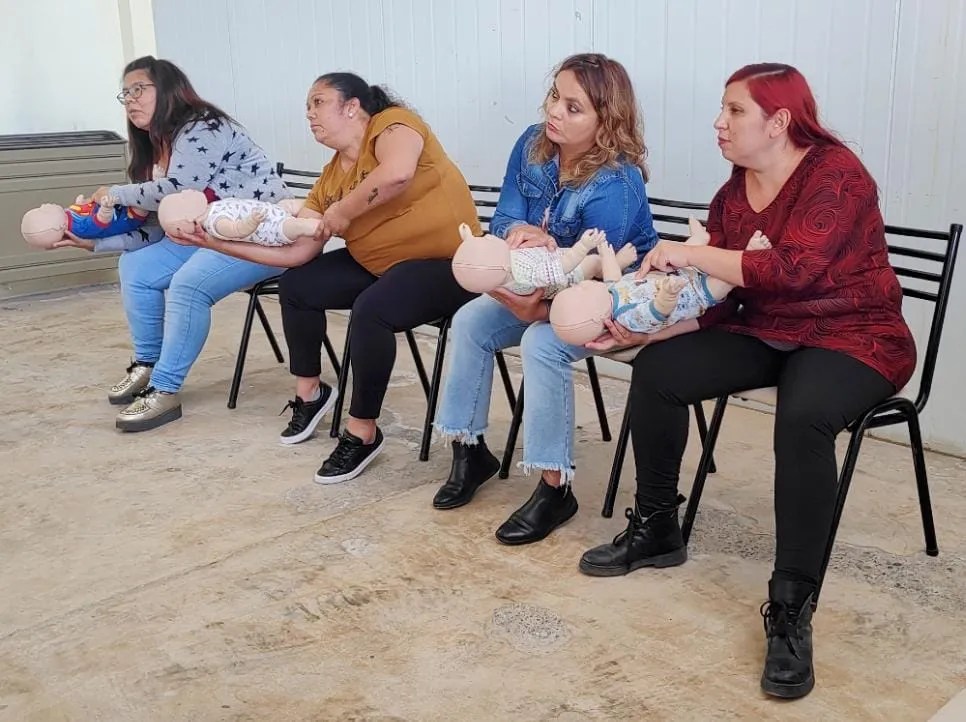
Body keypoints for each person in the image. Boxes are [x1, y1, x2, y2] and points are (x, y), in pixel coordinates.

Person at [578, 63, 916, 700]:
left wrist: (689, 252)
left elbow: (791, 269)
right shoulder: (733, 194)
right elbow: (719, 299)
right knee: (658, 373)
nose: (719, 123)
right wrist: (643, 334)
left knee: (803, 415)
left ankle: (791, 607)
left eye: (734, 111)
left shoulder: (837, 175)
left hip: (855, 333)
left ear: (779, 121)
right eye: (723, 110)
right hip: (767, 328)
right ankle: (657, 528)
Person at [171, 72, 480, 483]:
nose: (309, 114)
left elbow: (398, 173)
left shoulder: (392, 125)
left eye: (318, 102)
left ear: (352, 107)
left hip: (450, 265)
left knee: (372, 311)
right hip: (381, 267)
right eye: (307, 107)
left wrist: (344, 213)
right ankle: (311, 394)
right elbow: (297, 251)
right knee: (299, 285)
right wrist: (213, 243)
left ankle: (363, 432)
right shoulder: (330, 179)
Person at [430, 53, 659, 545]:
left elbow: (594, 277)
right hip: (536, 276)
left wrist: (539, 268)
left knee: (541, 342)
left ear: (606, 120)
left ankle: (555, 488)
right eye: (556, 96)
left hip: (614, 296)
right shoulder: (532, 145)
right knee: (470, 320)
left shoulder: (618, 182)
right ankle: (470, 453)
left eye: (574, 107)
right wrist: (523, 233)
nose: (555, 111)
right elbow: (503, 219)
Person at [62, 55, 291, 431]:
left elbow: (181, 190)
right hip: (208, 236)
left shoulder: (204, 126)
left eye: (140, 89)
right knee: (134, 267)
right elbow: (159, 225)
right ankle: (148, 365)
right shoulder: (159, 144)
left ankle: (165, 390)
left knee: (189, 285)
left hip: (264, 234)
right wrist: (95, 245)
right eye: (125, 93)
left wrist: (118, 194)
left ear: (167, 90)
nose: (131, 99)